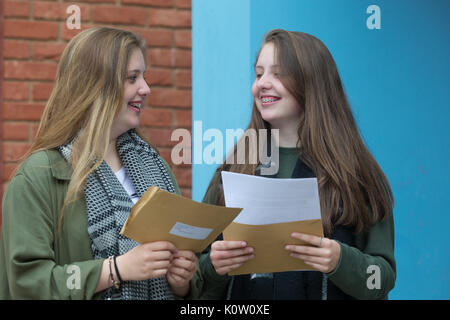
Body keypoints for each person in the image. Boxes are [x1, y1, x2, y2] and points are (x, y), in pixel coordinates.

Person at [193, 29, 396, 300]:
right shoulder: (233, 170)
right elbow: (194, 280)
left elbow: (381, 279)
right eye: (258, 74)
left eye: (277, 73)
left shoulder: (355, 174)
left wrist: (341, 261)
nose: (262, 83)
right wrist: (214, 267)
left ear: (312, 82)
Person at [0, 27, 197, 300]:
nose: (146, 88)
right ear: (95, 86)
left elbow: (189, 284)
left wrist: (182, 282)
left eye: (144, 76)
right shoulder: (38, 177)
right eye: (132, 78)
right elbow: (28, 283)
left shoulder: (156, 168)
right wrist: (115, 269)